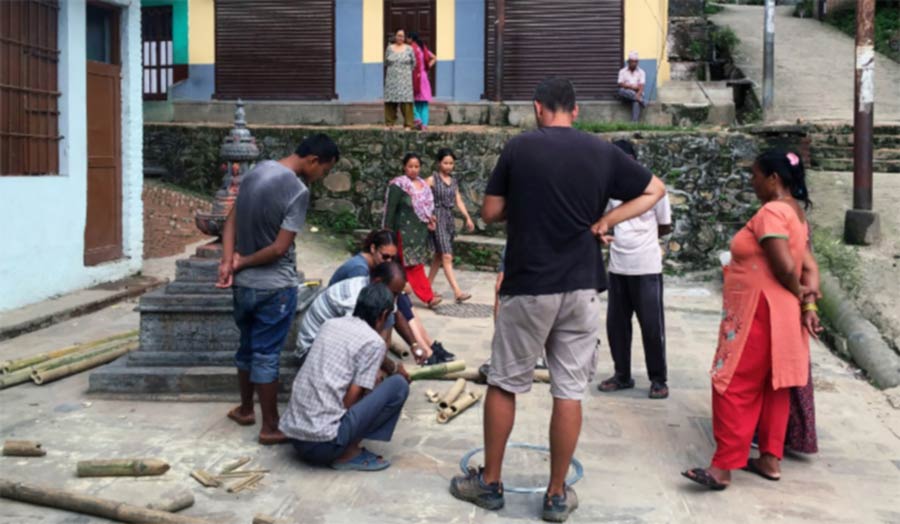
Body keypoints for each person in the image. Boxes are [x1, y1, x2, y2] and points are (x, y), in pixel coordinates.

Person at [449, 77, 666, 522]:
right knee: (568, 391)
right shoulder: (602, 151)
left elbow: (490, 213)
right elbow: (655, 191)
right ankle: (554, 494)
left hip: (529, 283)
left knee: (505, 383)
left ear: (537, 108)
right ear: (576, 111)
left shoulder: (520, 148)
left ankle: (490, 484)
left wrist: (524, 202)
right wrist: (606, 219)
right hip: (582, 285)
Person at [682, 150, 822, 491]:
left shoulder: (772, 212)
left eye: (756, 175)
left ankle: (723, 467)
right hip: (784, 314)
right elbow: (810, 266)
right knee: (775, 386)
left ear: (773, 178)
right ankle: (769, 459)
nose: (752, 181)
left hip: (759, 312)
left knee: (731, 383)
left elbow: (786, 267)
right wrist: (808, 305)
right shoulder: (796, 213)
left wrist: (800, 292)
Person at [216, 134, 340, 445]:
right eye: (323, 170)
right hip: (275, 287)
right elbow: (279, 248)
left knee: (246, 347)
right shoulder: (297, 191)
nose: (321, 177)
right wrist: (241, 262)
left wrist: (227, 261)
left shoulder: (257, 170)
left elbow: (229, 220)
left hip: (243, 288)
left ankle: (246, 409)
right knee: (266, 355)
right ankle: (270, 426)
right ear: (312, 160)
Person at [281, 283, 410, 471]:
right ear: (383, 315)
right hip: (323, 446)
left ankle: (340, 443)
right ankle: (347, 453)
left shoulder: (330, 324)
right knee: (398, 385)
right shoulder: (374, 342)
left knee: (376, 382)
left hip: (296, 438)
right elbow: (352, 398)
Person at [598, 139, 673, 400]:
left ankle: (658, 379)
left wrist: (644, 239)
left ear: (634, 162)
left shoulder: (654, 189)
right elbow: (602, 223)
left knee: (652, 326)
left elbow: (665, 225)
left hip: (647, 266)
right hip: (619, 266)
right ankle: (622, 374)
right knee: (617, 325)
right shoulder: (610, 191)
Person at [329, 229, 454, 364]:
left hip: (346, 322)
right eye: (385, 256)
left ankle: (426, 345)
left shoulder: (374, 269)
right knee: (393, 298)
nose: (388, 261)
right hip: (335, 326)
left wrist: (413, 345)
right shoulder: (359, 270)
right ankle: (424, 349)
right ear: (373, 249)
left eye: (392, 258)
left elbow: (394, 311)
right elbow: (361, 315)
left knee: (399, 297)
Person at [296, 261, 410, 380]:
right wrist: (392, 368)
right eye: (394, 294)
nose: (395, 299)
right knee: (371, 378)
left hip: (335, 345)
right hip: (311, 352)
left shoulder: (379, 291)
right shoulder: (354, 300)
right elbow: (356, 347)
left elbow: (388, 322)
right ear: (377, 282)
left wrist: (380, 361)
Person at [383, 153, 442, 308]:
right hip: (404, 233)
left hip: (419, 233)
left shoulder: (423, 186)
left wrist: (431, 218)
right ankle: (428, 297)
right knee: (414, 266)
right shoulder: (398, 185)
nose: (414, 170)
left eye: (417, 166)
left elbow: (428, 208)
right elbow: (390, 210)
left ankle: (393, 290)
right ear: (404, 167)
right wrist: (387, 232)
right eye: (410, 166)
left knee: (400, 264)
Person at [427, 148, 475, 303]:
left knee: (438, 256)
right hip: (437, 218)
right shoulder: (432, 179)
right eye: (445, 162)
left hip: (449, 219)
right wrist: (428, 215)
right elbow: (422, 199)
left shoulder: (453, 181)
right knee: (447, 255)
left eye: (451, 163)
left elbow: (458, 200)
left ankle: (426, 287)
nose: (448, 166)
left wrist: (467, 217)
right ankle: (457, 292)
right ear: (439, 163)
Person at [384, 29, 415, 128]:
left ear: (405, 38)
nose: (400, 38)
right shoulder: (389, 48)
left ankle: (408, 124)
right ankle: (389, 123)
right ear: (395, 37)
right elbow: (386, 62)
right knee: (390, 101)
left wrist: (404, 72)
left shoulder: (409, 49)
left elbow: (414, 63)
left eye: (402, 36)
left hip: (405, 80)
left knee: (406, 102)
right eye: (398, 35)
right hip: (391, 79)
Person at [409, 32, 436, 130]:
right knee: (423, 103)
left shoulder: (411, 48)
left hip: (415, 77)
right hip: (424, 77)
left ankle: (417, 119)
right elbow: (434, 57)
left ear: (411, 39)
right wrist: (427, 67)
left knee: (411, 100)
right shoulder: (423, 48)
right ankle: (424, 125)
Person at [617, 51, 646, 122]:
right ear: (628, 62)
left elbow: (641, 87)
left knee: (636, 102)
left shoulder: (641, 72)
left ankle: (634, 124)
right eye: (632, 61)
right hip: (626, 95)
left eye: (636, 62)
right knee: (620, 91)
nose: (634, 63)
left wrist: (638, 95)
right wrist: (632, 87)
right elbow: (620, 84)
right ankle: (641, 101)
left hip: (637, 93)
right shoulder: (622, 71)